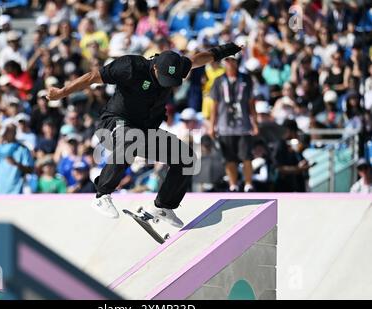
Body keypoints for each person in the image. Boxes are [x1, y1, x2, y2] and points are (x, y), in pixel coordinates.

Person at [47, 42, 242, 227]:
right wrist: (62, 92)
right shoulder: (130, 66)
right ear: (156, 67)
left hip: (145, 129)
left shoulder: (179, 65)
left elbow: (202, 58)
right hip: (114, 122)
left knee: (186, 157)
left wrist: (229, 49)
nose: (166, 84)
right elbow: (91, 77)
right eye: (163, 79)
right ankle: (102, 195)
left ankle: (163, 206)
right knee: (130, 138)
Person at [209, 53, 258, 192]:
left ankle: (248, 184)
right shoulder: (218, 81)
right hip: (225, 125)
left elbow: (251, 103)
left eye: (233, 60)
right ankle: (233, 184)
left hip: (243, 124)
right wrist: (212, 126)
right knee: (228, 158)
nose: (230, 63)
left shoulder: (246, 79)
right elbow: (214, 106)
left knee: (246, 156)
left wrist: (255, 122)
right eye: (228, 60)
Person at [0, 121, 34, 194]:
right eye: (6, 130)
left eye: (10, 130)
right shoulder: (0, 148)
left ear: (15, 132)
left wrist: (16, 164)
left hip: (15, 191)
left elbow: (30, 169)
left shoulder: (22, 149)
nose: (7, 132)